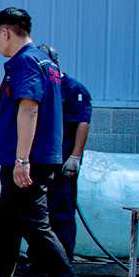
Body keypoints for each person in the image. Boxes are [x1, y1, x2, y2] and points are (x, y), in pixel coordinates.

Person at [0, 8, 84, 277]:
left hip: (29, 158)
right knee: (8, 221)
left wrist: (22, 159)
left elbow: (29, 109)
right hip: (34, 155)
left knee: (35, 225)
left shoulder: (26, 61)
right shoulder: (45, 63)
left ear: (5, 32)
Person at [29, 44, 92, 262]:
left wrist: (75, 157)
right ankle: (38, 261)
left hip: (62, 162)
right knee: (37, 213)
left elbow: (83, 123)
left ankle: (62, 263)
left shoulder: (74, 89)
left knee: (61, 212)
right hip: (40, 161)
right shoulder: (40, 87)